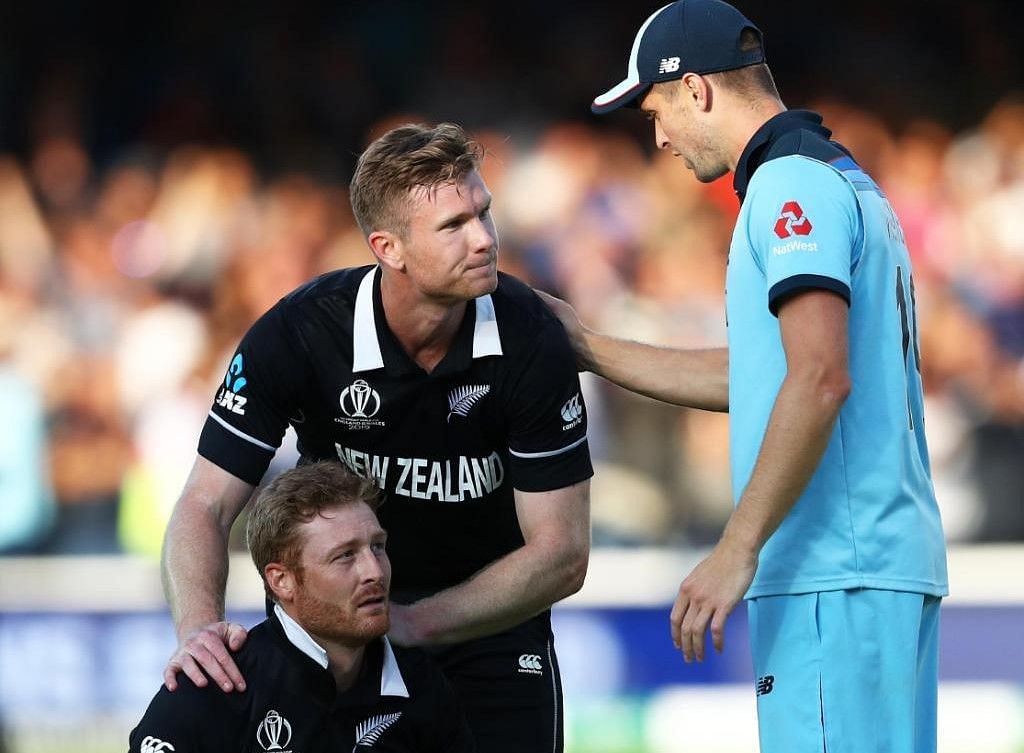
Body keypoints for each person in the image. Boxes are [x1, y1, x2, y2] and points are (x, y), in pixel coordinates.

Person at [546, 2, 948, 751]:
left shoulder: (787, 187)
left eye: (656, 109)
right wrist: (589, 347)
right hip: (875, 568)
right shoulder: (843, 178)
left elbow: (820, 378)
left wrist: (736, 547)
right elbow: (772, 375)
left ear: (696, 89)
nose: (658, 136)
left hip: (834, 572)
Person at [161, 123, 593, 753]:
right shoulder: (300, 333)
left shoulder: (531, 336)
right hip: (335, 637)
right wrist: (200, 631)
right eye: (453, 226)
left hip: (491, 630)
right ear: (387, 248)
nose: (484, 240)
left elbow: (561, 553)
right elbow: (205, 502)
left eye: (483, 213)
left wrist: (410, 623)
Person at [130, 461, 474, 752]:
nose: (374, 571)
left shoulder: (423, 684)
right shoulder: (217, 688)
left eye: (378, 547)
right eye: (345, 556)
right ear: (281, 581)